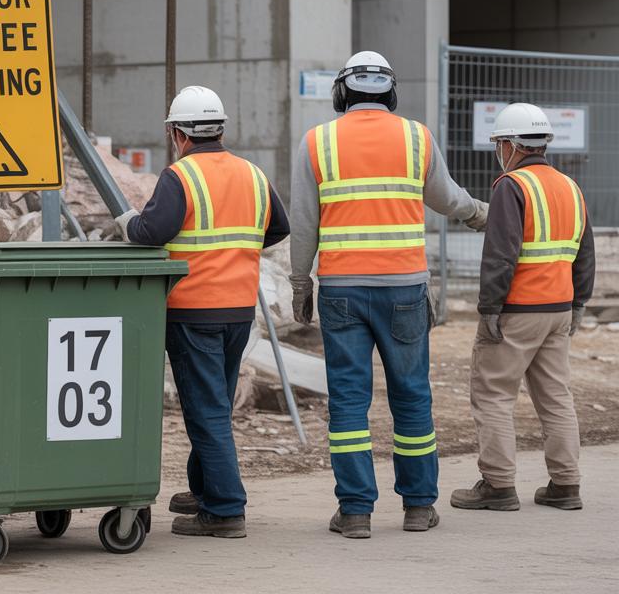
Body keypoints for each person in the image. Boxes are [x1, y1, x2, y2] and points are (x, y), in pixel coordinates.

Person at [289, 51, 489, 539]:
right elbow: (447, 198)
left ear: (342, 93)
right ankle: (419, 506)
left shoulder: (317, 142)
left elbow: (303, 223)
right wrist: (481, 214)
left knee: (349, 402)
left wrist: (301, 283)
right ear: (390, 93)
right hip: (403, 289)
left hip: (341, 291)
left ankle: (355, 511)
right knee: (412, 396)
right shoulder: (417, 137)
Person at [117, 85, 289, 539]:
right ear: (220, 129)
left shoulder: (181, 176)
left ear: (178, 133)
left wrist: (127, 224)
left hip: (193, 310)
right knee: (214, 404)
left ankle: (226, 509)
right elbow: (279, 227)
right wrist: (239, 252)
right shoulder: (252, 173)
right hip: (238, 311)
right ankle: (204, 489)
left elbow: (152, 231)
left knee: (206, 411)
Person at [449, 103, 594, 513]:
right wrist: (579, 302)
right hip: (559, 309)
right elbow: (585, 253)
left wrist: (489, 309)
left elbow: (501, 255)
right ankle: (566, 485)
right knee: (555, 396)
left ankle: (498, 485)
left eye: (499, 143)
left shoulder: (511, 186)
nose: (499, 150)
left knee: (493, 394)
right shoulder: (570, 186)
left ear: (512, 145)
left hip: (517, 309)